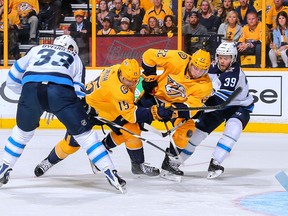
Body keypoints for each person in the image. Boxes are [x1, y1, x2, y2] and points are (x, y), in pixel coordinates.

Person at [0, 35, 125, 193]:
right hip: (59, 92)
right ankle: (110, 173)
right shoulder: (76, 58)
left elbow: (11, 79)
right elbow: (79, 93)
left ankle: (4, 168)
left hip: (30, 90)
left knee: (21, 133)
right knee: (85, 136)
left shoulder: (36, 49)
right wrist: (83, 110)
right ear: (71, 47)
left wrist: (27, 93)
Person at [33, 58, 172, 178]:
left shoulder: (117, 69)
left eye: (135, 80)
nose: (133, 84)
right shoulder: (119, 91)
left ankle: (137, 165)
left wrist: (146, 86)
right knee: (72, 144)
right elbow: (132, 114)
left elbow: (131, 95)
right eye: (129, 81)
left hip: (108, 107)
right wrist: (153, 113)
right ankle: (48, 162)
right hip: (86, 109)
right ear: (122, 76)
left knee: (131, 129)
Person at [178, 42, 254, 179]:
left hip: (238, 106)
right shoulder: (211, 67)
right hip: (219, 106)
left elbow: (219, 101)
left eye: (227, 58)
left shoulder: (234, 74)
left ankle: (216, 163)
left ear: (234, 58)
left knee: (233, 130)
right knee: (197, 134)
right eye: (220, 57)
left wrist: (197, 110)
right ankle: (175, 162)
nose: (223, 60)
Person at [137, 48, 213, 181]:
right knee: (130, 125)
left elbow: (191, 108)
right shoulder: (178, 58)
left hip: (173, 108)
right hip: (155, 97)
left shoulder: (205, 85)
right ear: (190, 62)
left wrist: (172, 111)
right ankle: (109, 148)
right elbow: (148, 54)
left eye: (202, 70)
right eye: (195, 67)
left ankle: (169, 164)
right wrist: (150, 75)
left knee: (187, 129)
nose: (197, 72)